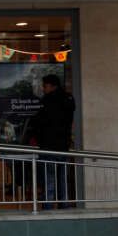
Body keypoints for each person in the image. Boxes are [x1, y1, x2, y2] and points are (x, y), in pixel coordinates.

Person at [29, 74, 75, 209]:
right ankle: (63, 204)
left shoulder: (48, 101)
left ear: (51, 86)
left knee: (49, 178)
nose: (43, 89)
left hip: (48, 145)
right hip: (63, 145)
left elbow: (40, 122)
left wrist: (36, 135)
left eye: (45, 86)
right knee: (62, 177)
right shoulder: (68, 99)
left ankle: (48, 205)